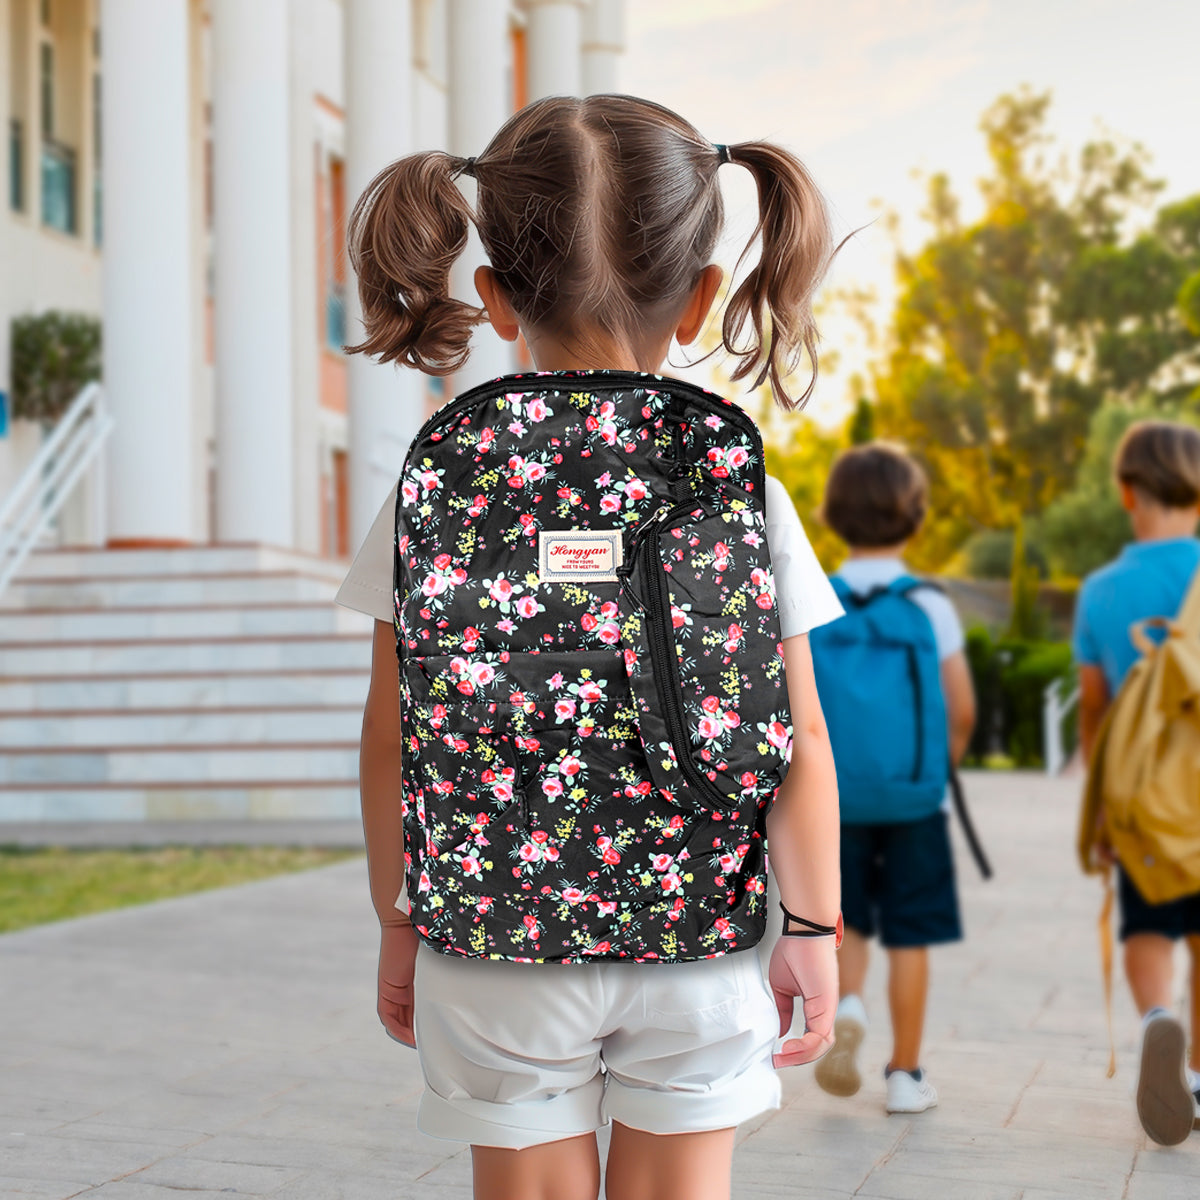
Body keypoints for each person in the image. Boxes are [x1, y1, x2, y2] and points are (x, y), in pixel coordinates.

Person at [333, 95, 845, 1200]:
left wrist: (399, 916)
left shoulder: (442, 474)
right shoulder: (732, 477)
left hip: (491, 937)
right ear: (702, 297)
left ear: (495, 300)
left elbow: (390, 735)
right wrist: (813, 925)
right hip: (697, 931)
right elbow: (795, 728)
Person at [809, 443, 976, 1115]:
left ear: (831, 518)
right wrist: (934, 771)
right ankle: (906, 1076)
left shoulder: (815, 601)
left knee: (849, 923)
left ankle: (848, 1004)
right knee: (912, 935)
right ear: (917, 519)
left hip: (834, 801)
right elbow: (960, 709)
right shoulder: (930, 606)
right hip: (912, 800)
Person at [1074, 420, 1200, 1145]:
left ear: (1126, 492)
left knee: (1149, 928)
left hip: (1144, 793)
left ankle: (1160, 1018)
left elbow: (1094, 709)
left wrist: (1103, 809)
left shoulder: (1103, 591)